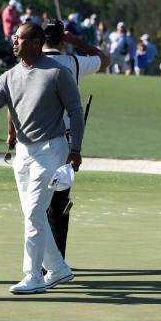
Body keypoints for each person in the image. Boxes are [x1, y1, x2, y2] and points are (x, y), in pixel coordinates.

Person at [0, 22, 85, 295]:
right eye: (14, 38)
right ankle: (58, 269)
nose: (14, 42)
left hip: (52, 149)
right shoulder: (9, 76)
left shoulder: (58, 73)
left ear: (36, 42)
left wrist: (75, 151)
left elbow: (75, 111)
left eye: (20, 38)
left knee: (34, 213)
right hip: (23, 153)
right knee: (32, 214)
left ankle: (33, 276)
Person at [36, 19, 107, 259]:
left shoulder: (31, 60)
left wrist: (11, 134)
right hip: (64, 140)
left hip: (35, 138)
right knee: (59, 201)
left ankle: (44, 260)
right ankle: (57, 260)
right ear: (61, 38)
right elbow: (103, 60)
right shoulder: (74, 62)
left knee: (37, 201)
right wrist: (75, 41)